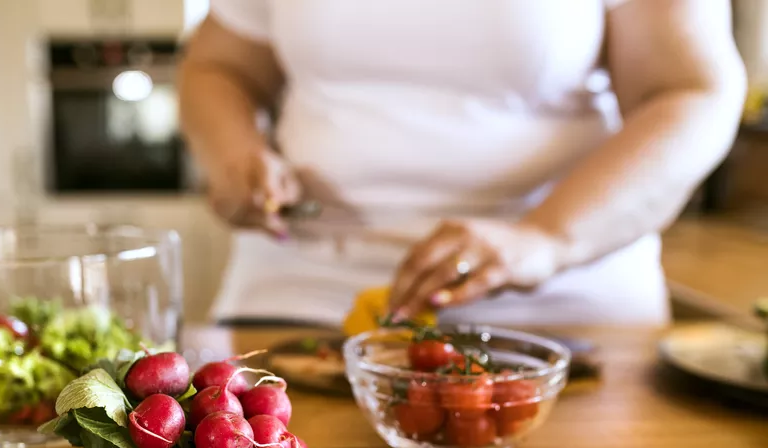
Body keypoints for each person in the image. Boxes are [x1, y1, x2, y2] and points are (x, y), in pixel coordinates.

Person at [179, 0, 746, 327]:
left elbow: (691, 91)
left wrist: (546, 238)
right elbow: (218, 66)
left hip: (564, 314)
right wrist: (232, 154)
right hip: (299, 296)